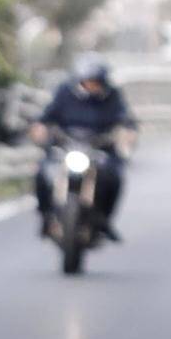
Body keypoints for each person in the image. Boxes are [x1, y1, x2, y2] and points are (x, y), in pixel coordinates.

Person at [33, 52, 134, 244]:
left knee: (115, 177)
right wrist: (40, 132)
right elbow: (45, 118)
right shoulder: (64, 92)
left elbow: (126, 122)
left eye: (95, 82)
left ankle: (104, 220)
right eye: (88, 81)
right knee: (42, 174)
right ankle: (46, 215)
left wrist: (126, 139)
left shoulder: (112, 96)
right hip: (65, 147)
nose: (92, 85)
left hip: (100, 149)